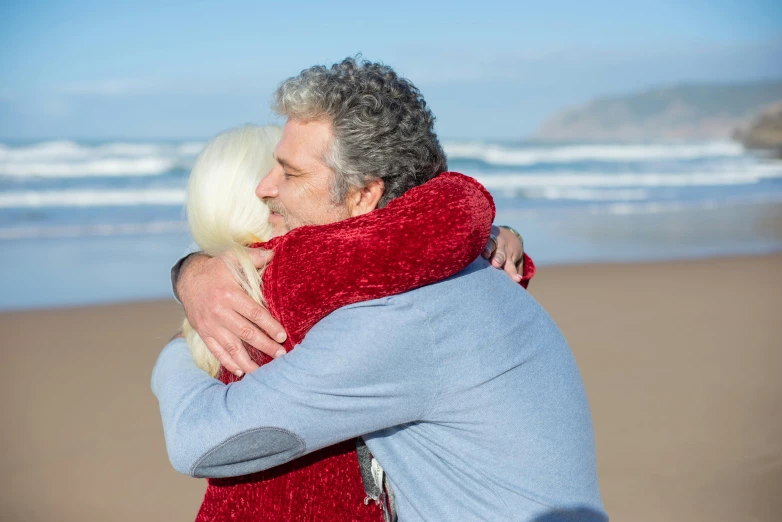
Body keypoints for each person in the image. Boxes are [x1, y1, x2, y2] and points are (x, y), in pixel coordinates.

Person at [154, 57, 606, 521]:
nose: (265, 187)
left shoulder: (395, 317)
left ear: (364, 194)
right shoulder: (459, 269)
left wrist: (175, 349)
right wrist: (193, 272)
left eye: (291, 173)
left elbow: (199, 441)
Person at [178, 123, 530, 520]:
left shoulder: (214, 304)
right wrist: (493, 231)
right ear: (260, 198)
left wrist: (188, 271)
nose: (275, 184)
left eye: (290, 172)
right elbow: (449, 219)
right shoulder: (297, 279)